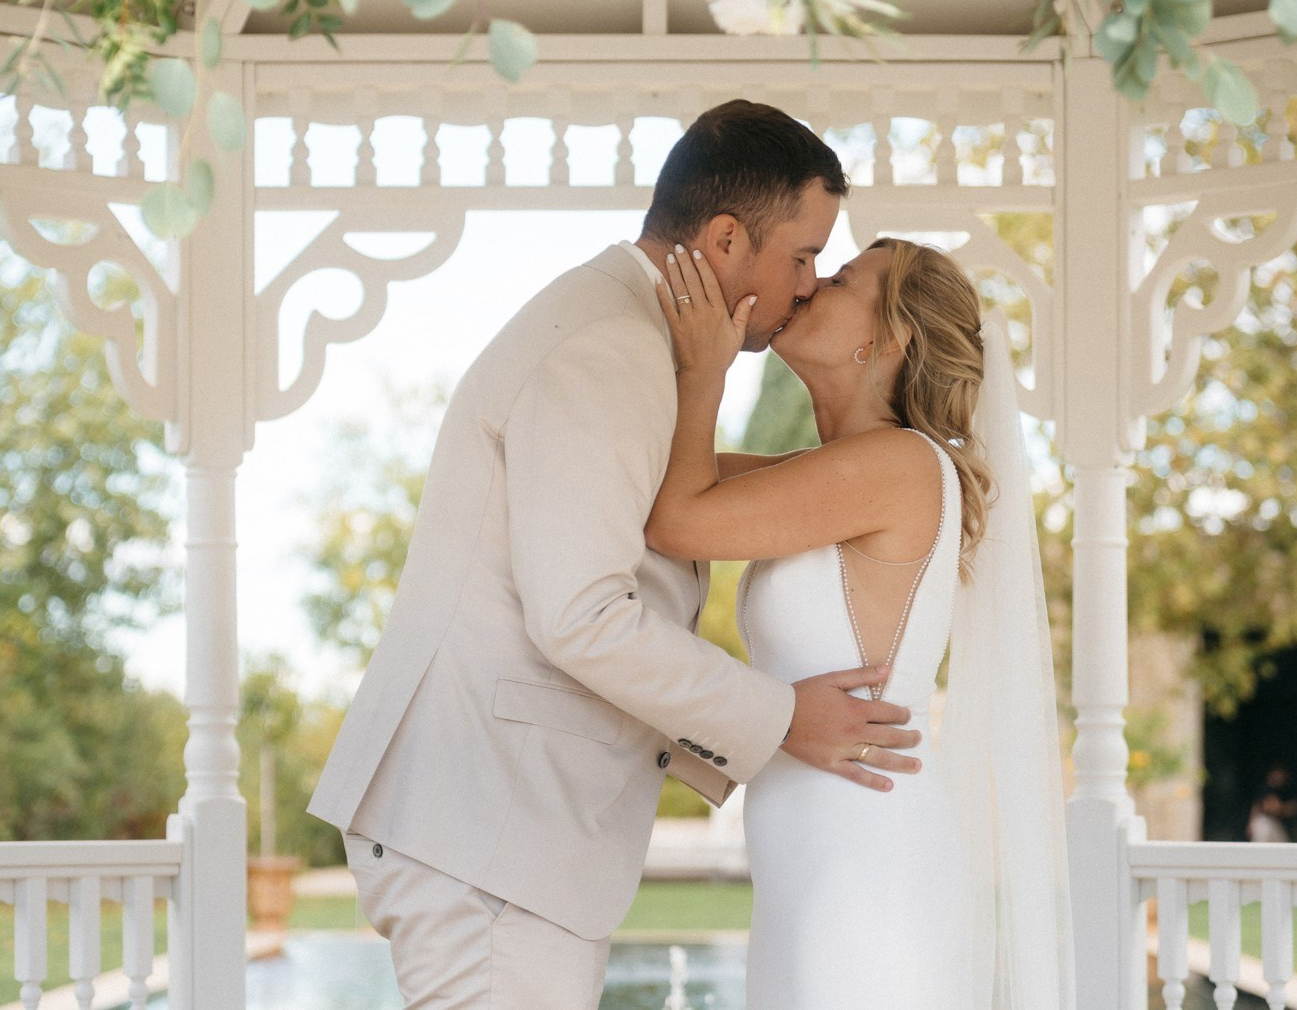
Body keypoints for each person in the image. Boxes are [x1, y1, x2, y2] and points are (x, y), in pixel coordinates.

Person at [307, 100, 923, 1009]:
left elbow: (689, 499)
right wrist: (781, 716)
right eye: (801, 256)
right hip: (492, 833)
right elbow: (582, 618)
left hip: (497, 833)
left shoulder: (625, 336)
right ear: (723, 240)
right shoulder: (611, 347)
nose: (807, 283)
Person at [646, 237, 1075, 1009]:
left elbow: (676, 519)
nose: (810, 287)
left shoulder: (902, 465)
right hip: (813, 869)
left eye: (840, 279)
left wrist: (703, 366)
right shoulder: (826, 473)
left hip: (869, 872)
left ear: (888, 337)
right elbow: (660, 483)